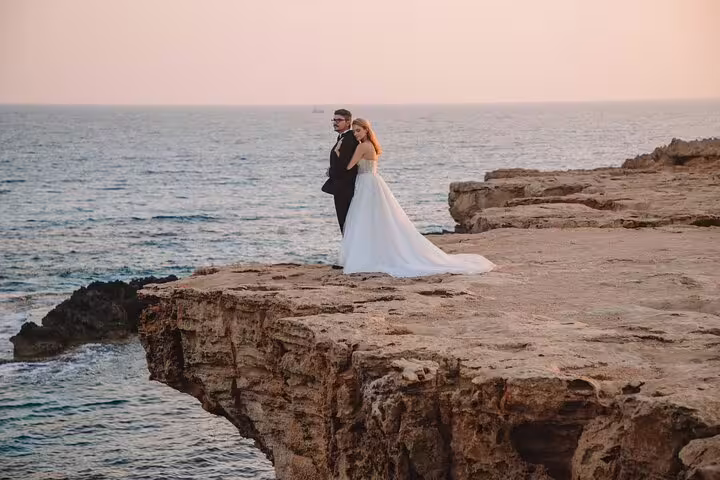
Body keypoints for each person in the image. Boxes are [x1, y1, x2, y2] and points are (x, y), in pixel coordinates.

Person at [339, 118, 495, 277]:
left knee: (364, 219)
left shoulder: (363, 146)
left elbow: (348, 166)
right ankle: (374, 253)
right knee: (375, 219)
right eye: (354, 131)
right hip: (373, 182)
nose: (356, 134)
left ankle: (367, 255)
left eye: (359, 130)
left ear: (366, 130)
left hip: (366, 183)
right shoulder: (371, 145)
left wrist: (339, 151)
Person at [321, 108, 359, 234]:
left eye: (339, 120)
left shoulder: (348, 139)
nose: (335, 122)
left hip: (345, 189)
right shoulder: (343, 138)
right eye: (334, 120)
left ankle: (350, 250)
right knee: (346, 223)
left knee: (346, 223)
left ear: (348, 122)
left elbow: (345, 167)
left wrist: (330, 172)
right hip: (343, 187)